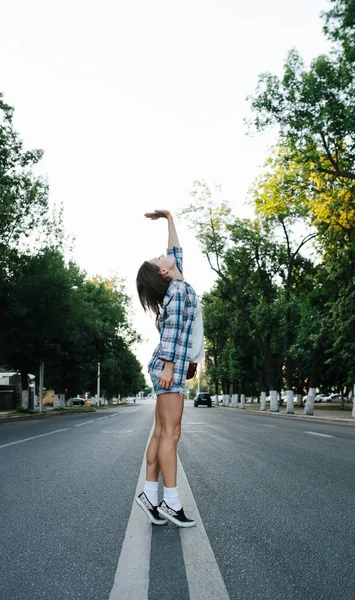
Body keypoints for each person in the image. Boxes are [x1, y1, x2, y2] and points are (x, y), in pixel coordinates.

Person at [135, 209, 204, 528]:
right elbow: (174, 333)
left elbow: (176, 250)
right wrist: (170, 368)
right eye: (158, 258)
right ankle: (171, 504)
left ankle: (150, 495)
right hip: (168, 367)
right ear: (162, 272)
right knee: (171, 434)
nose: (164, 255)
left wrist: (170, 218)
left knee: (162, 432)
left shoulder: (178, 283)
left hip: (168, 366)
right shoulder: (178, 292)